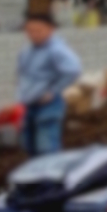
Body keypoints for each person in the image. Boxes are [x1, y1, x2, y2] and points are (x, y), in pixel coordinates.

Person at [17, 12, 82, 156]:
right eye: (30, 31)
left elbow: (73, 70)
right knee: (30, 146)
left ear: (50, 29)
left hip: (47, 105)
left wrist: (53, 91)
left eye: (38, 30)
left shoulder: (56, 49)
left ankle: (51, 171)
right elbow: (23, 75)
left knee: (46, 148)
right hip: (29, 105)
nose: (34, 34)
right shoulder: (28, 51)